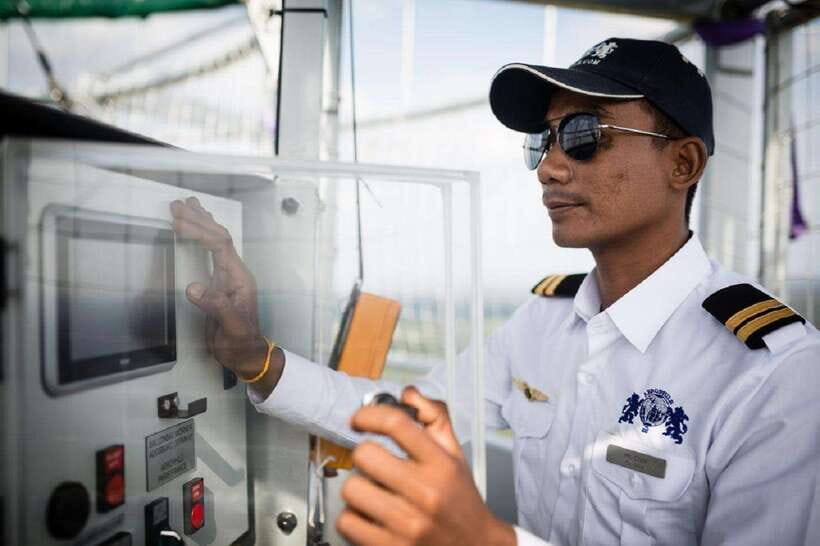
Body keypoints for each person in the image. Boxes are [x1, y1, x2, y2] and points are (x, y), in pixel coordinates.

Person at [170, 37, 820, 546]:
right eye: (545, 138)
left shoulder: (773, 374)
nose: (549, 165)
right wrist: (256, 358)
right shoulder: (545, 320)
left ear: (682, 164)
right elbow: (403, 415)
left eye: (585, 135)